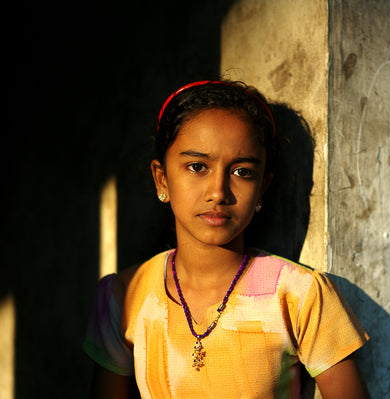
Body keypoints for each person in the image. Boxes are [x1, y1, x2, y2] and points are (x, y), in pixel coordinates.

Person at [83, 80, 370, 398]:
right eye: (197, 167)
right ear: (161, 178)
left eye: (242, 171)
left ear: (263, 187)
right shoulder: (125, 296)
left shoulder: (300, 295)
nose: (218, 191)